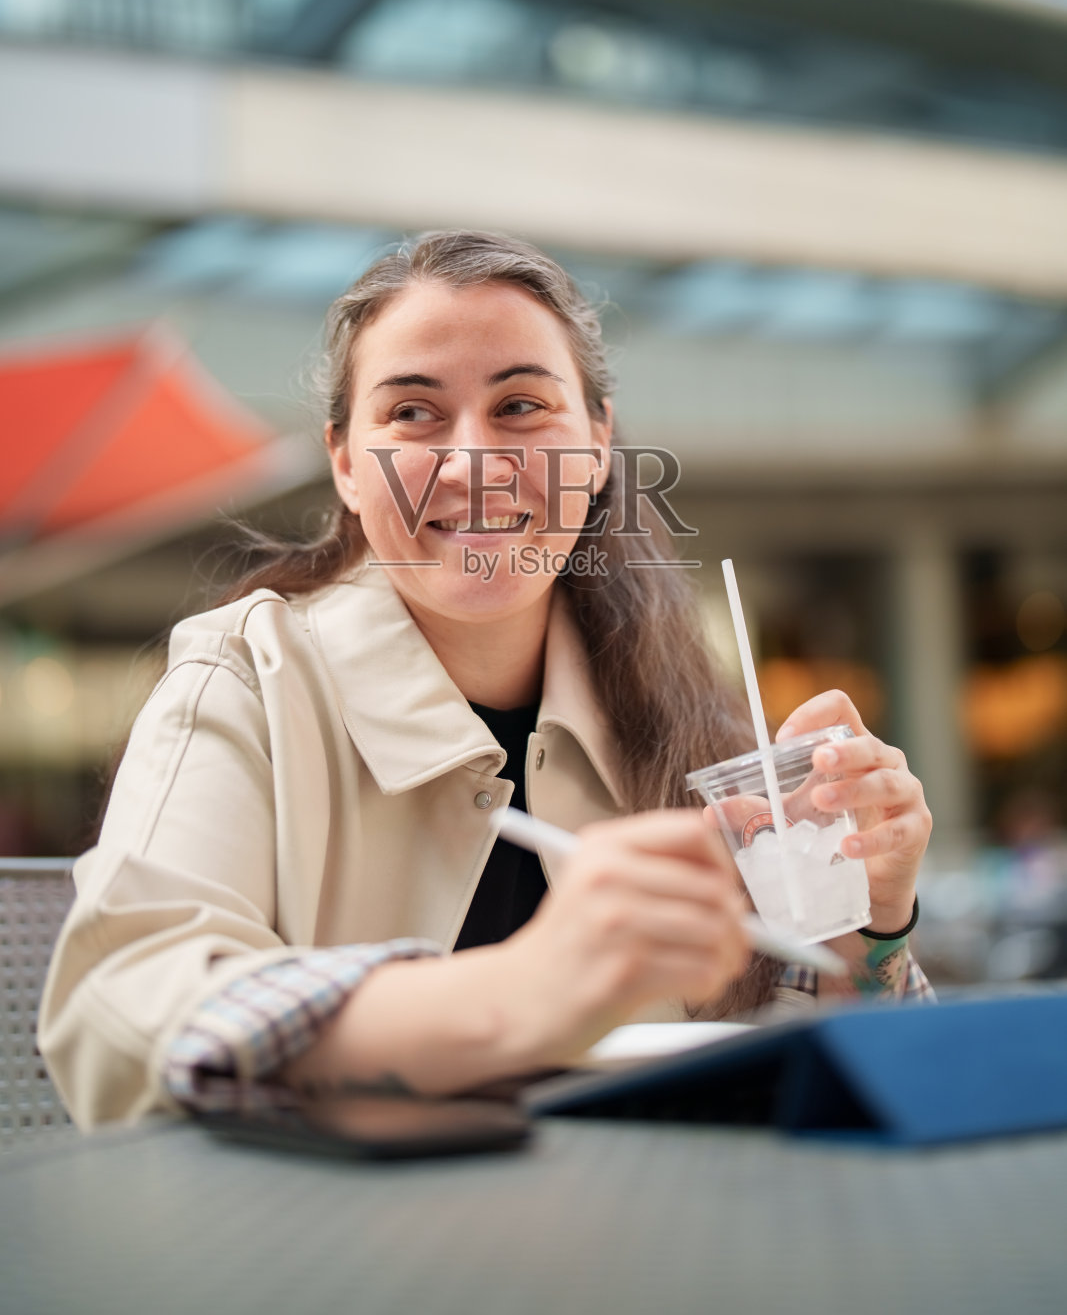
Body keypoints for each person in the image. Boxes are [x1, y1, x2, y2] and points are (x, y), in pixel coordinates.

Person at [39, 231, 933, 1129]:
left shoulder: (685, 718)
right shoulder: (243, 681)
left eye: (519, 405)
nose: (472, 462)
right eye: (414, 415)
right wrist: (521, 992)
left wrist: (870, 920)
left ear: (595, 443)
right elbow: (119, 1019)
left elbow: (827, 1086)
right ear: (348, 464)